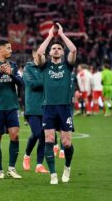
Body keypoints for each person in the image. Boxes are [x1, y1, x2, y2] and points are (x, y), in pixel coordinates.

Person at [36, 23, 77, 185]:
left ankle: (67, 167)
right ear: (50, 52)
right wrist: (50, 37)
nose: (56, 50)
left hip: (64, 107)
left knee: (66, 143)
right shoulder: (45, 66)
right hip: (48, 107)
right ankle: (53, 174)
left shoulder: (67, 66)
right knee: (49, 139)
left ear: (62, 52)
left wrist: (61, 34)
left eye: (59, 49)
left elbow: (73, 50)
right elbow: (39, 52)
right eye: (54, 49)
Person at [0, 40, 24, 180]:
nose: (11, 50)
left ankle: (11, 169)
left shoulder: (13, 65)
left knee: (15, 135)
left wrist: (11, 74)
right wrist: (0, 73)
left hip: (12, 106)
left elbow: (22, 83)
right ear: (0, 49)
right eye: (8, 48)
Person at [22, 50, 49, 173]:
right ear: (33, 55)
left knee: (44, 136)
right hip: (32, 107)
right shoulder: (28, 69)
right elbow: (32, 84)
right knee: (37, 133)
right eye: (38, 54)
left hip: (46, 106)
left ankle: (39, 165)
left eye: (42, 54)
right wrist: (47, 80)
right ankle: (27, 155)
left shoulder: (47, 68)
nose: (40, 56)